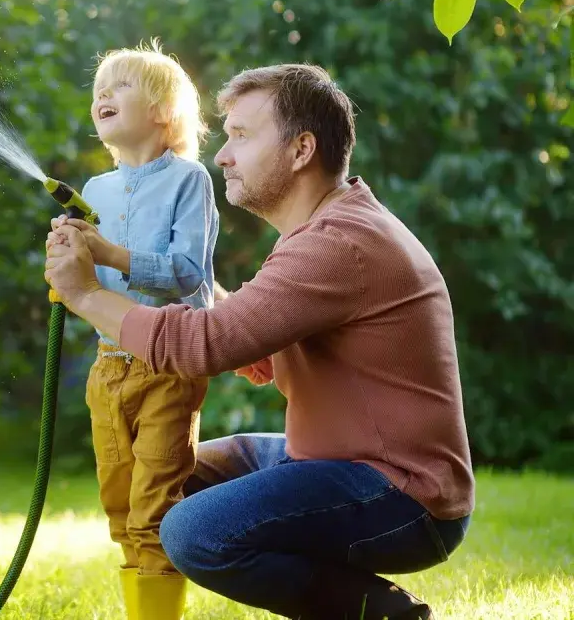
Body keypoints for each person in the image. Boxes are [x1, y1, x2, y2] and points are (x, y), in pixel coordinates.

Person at [44, 63, 473, 620]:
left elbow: (204, 346)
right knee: (169, 474)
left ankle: (388, 615)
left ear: (301, 150)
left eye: (242, 136)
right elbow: (252, 337)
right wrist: (190, 282)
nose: (222, 155)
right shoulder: (321, 231)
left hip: (402, 494)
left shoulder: (337, 244)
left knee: (192, 529)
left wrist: (84, 294)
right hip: (330, 457)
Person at [60, 41, 219, 620]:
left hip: (168, 367)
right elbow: (85, 283)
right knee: (120, 507)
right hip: (109, 366)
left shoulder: (189, 179)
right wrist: (70, 252)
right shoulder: (94, 191)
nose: (103, 94)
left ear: (162, 112)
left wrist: (110, 253)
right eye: (99, 89)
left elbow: (188, 272)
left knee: (154, 507)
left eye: (120, 86)